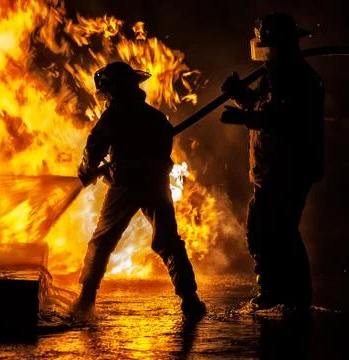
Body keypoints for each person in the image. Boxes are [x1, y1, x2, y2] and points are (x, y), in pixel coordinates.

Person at [71, 61, 206, 318]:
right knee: (168, 241)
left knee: (102, 241)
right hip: (156, 183)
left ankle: (85, 300)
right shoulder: (155, 116)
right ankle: (190, 299)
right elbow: (161, 150)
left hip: (126, 186)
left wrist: (88, 171)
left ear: (112, 89)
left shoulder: (114, 115)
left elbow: (95, 146)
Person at [220, 12, 325, 310]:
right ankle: (278, 291)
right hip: (270, 169)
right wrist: (240, 95)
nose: (265, 53)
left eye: (269, 46)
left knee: (279, 232)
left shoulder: (299, 78)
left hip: (289, 169)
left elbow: (286, 120)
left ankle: (290, 295)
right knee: (266, 230)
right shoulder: (275, 75)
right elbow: (263, 105)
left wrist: (245, 118)